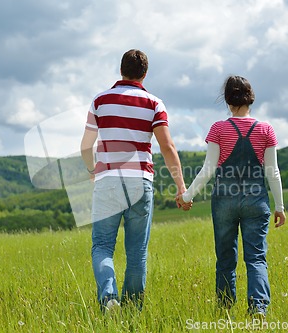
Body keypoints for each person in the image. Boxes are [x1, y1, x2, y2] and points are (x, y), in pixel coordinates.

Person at [80, 49, 187, 313]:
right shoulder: (154, 104)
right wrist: (181, 186)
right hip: (140, 181)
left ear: (121, 70)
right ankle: (132, 312)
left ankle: (109, 299)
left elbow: (85, 146)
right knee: (137, 252)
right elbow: (168, 147)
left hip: (107, 181)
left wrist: (93, 171)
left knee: (103, 246)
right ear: (145, 74)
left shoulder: (100, 100)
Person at [177, 75, 286, 317]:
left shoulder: (219, 129)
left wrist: (186, 196)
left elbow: (208, 170)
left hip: (224, 201)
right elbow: (273, 172)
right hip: (256, 200)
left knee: (225, 257)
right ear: (251, 99)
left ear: (227, 99)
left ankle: (225, 309)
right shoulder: (266, 130)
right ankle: (258, 308)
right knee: (256, 258)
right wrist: (279, 205)